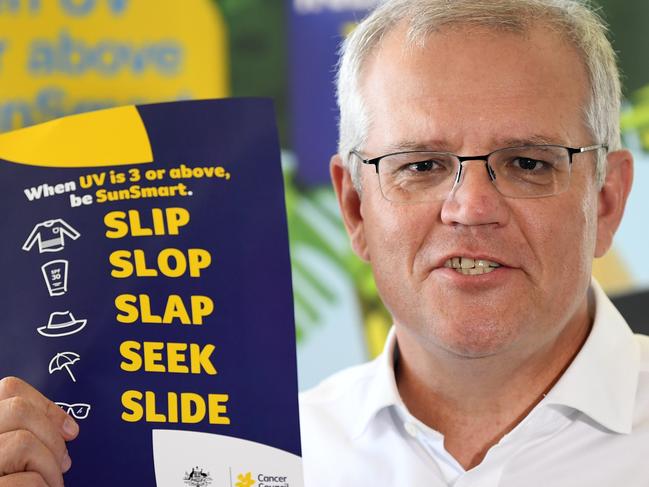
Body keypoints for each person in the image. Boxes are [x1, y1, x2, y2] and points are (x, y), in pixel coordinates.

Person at [0, 0, 647, 486]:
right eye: (419, 165)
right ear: (353, 207)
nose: (470, 207)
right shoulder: (256, 462)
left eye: (527, 163)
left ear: (606, 198)